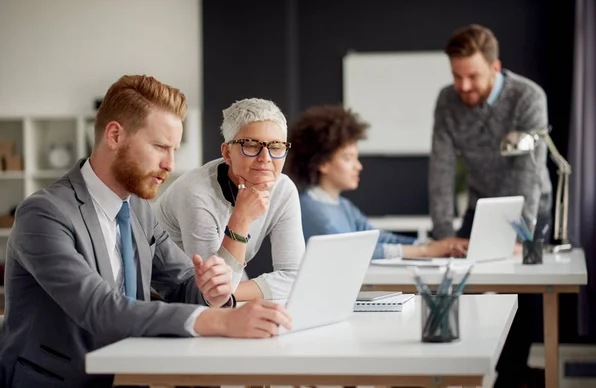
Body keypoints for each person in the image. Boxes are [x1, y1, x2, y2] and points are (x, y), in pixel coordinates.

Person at [0, 76, 291, 388]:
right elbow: (99, 308)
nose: (170, 164)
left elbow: (182, 286)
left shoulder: (138, 210)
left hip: (132, 375)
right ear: (114, 135)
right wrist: (220, 321)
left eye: (174, 149)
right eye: (160, 147)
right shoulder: (43, 214)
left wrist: (213, 290)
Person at [429, 24, 551, 388]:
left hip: (532, 210)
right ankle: (474, 372)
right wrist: (444, 236)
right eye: (456, 76)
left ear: (495, 68)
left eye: (473, 76)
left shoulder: (528, 97)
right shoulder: (447, 100)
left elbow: (527, 173)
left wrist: (519, 235)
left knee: (522, 297)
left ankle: (512, 376)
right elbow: (441, 167)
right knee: (465, 288)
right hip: (481, 205)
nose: (463, 86)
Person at [154, 98, 305, 302]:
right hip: (167, 302)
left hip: (220, 294)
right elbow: (211, 291)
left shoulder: (283, 189)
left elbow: (295, 277)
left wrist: (230, 293)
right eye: (251, 145)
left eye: (276, 147)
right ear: (227, 152)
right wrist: (241, 217)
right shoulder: (196, 194)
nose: (266, 158)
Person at [286, 104, 466, 260]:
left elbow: (378, 238)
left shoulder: (343, 206)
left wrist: (433, 245)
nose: (358, 166)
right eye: (348, 158)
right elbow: (353, 252)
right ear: (322, 163)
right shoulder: (309, 209)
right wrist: (424, 250)